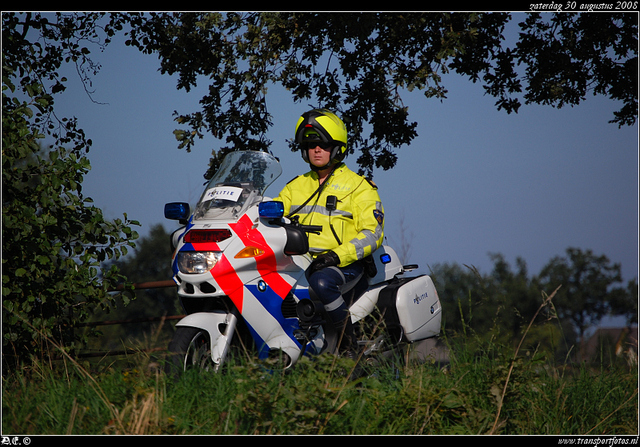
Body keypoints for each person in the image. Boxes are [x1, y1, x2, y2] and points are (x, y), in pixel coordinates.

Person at [274, 109, 385, 360]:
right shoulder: (294, 187)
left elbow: (372, 233)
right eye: (311, 144)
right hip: (301, 263)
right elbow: (269, 221)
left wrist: (335, 256)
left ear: (337, 148)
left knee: (322, 282)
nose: (316, 150)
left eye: (323, 144)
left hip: (344, 265)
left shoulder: (359, 186)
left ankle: (349, 346)